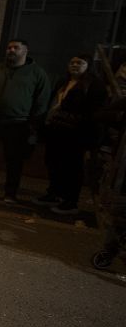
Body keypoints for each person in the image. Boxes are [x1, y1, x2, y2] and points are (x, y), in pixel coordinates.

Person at [0, 39, 51, 202]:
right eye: (9, 47)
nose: (11, 50)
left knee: (14, 159)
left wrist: (33, 124)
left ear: (25, 51)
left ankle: (10, 191)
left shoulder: (37, 73)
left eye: (16, 48)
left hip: (17, 123)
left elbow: (42, 100)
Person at [35, 54, 108, 214]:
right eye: (72, 62)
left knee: (72, 166)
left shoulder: (94, 85)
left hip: (75, 132)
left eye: (79, 63)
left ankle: (70, 201)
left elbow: (95, 111)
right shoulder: (64, 82)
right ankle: (54, 193)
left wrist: (80, 123)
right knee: (54, 162)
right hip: (56, 129)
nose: (75, 65)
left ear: (88, 66)